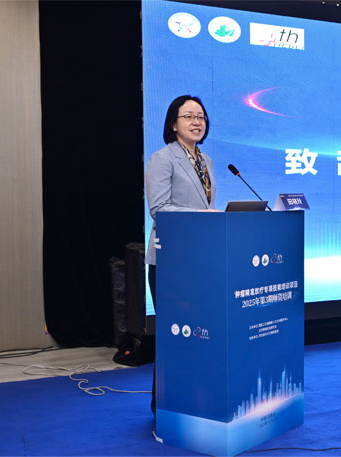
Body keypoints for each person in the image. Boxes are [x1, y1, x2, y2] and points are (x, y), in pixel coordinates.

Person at [145, 95, 218, 415]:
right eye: (188, 116)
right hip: (170, 262)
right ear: (173, 124)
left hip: (198, 261)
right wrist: (203, 216)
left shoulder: (206, 161)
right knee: (174, 335)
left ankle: (193, 402)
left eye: (201, 116)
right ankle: (162, 407)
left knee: (197, 335)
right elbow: (159, 210)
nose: (196, 122)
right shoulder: (163, 159)